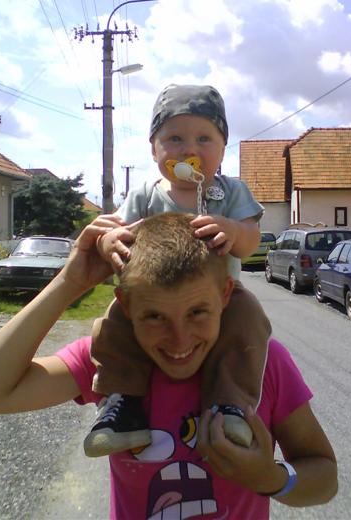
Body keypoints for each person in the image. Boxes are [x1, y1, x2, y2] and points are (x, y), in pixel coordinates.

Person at [0, 212, 338, 520]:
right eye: (154, 317)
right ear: (126, 306)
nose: (179, 341)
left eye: (197, 312)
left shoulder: (261, 361)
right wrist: (69, 282)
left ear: (226, 295)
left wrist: (271, 479)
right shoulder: (109, 360)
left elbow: (324, 475)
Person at [86, 83, 272, 457]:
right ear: (153, 149)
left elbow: (251, 242)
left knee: (249, 317)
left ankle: (230, 406)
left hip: (220, 299)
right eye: (174, 138)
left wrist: (235, 231)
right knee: (114, 321)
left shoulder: (232, 193)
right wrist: (108, 243)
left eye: (204, 138)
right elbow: (115, 232)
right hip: (151, 303)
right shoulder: (145, 195)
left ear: (223, 148)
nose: (189, 149)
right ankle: (122, 405)